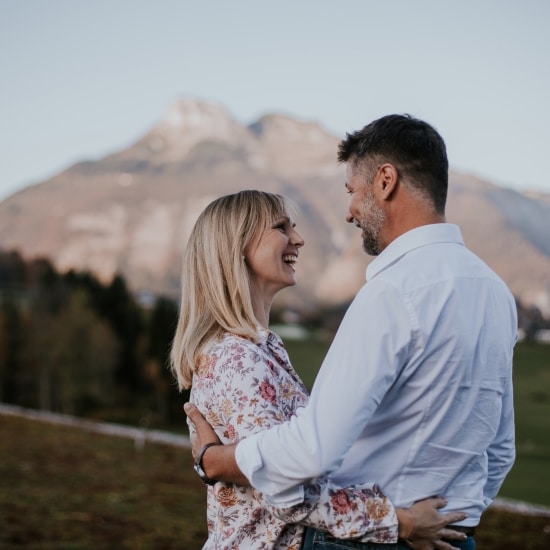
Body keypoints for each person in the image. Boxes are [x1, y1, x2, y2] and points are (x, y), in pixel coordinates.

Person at [184, 115, 517, 550]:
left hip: (379, 539)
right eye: (282, 227)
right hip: (451, 536)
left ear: (385, 181)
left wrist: (218, 460)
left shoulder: (391, 293)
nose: (349, 212)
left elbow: (312, 451)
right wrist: (462, 513)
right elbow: (500, 448)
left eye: (352, 192)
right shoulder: (495, 291)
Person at [171, 190, 467, 549]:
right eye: (281, 227)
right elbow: (281, 487)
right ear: (236, 247)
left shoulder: (263, 348)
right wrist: (399, 521)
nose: (298, 239)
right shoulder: (236, 360)